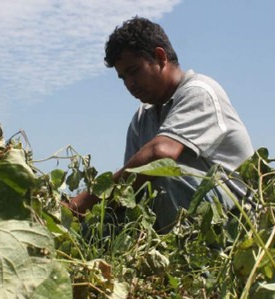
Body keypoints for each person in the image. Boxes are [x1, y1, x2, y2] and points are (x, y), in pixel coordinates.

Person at [67, 16, 254, 231]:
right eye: (122, 78)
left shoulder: (199, 92)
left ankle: (190, 263)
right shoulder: (142, 118)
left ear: (160, 57)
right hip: (186, 217)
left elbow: (161, 153)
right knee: (99, 223)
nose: (129, 84)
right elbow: (130, 189)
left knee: (162, 178)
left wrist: (80, 204)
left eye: (134, 71)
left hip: (236, 221)